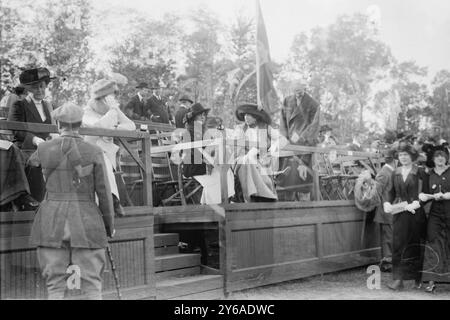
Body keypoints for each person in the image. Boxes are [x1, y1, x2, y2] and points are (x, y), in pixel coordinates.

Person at [28, 102, 114, 300]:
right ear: (80, 124)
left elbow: (32, 182)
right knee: (92, 284)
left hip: (50, 222)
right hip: (87, 223)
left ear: (58, 124)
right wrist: (108, 226)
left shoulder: (42, 150)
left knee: (54, 286)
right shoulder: (94, 151)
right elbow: (104, 193)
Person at [82, 79, 136, 217]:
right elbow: (101, 127)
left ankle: (113, 202)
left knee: (106, 163)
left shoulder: (111, 110)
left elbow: (131, 126)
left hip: (107, 157)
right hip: (88, 155)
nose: (109, 101)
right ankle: (114, 201)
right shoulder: (87, 112)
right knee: (103, 161)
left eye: (109, 98)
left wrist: (116, 126)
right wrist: (113, 109)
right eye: (106, 98)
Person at [383, 143, 428, 291]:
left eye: (406, 155)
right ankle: (398, 279)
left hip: (416, 214)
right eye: (401, 155)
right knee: (398, 245)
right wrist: (387, 203)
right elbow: (390, 192)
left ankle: (417, 279)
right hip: (400, 212)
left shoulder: (420, 172)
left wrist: (418, 202)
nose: (403, 157)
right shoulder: (395, 172)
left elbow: (426, 193)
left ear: (412, 157)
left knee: (415, 245)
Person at [8, 67, 56, 201]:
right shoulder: (19, 104)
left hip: (47, 147)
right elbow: (17, 129)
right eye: (35, 87)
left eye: (42, 86)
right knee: (38, 161)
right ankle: (37, 201)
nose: (40, 90)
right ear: (28, 89)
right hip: (26, 147)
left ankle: (60, 201)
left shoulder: (48, 105)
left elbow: (53, 129)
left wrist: (54, 139)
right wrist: (36, 140)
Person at [278, 80, 320, 201]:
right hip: (289, 147)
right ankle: (288, 212)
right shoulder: (287, 101)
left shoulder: (313, 104)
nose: (297, 92)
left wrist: (300, 138)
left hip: (305, 148)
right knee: (288, 183)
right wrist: (284, 138)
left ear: (305, 88)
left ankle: (306, 213)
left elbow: (314, 128)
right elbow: (282, 122)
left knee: (303, 184)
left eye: (300, 89)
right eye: (295, 90)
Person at [232, 103, 281, 203]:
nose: (246, 117)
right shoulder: (241, 129)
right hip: (244, 158)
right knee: (247, 163)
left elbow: (280, 140)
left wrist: (271, 151)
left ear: (256, 117)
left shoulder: (265, 127)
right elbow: (236, 148)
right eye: (245, 115)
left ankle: (261, 196)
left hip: (263, 160)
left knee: (261, 170)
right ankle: (253, 197)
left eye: (249, 115)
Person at [419, 146, 450, 293]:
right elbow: (424, 194)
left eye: (442, 156)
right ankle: (431, 281)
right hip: (435, 215)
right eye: (437, 156)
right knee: (432, 244)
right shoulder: (429, 174)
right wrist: (420, 199)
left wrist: (447, 195)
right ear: (433, 159)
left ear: (446, 158)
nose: (440, 158)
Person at [374, 148, 397, 272]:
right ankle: (387, 263)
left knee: (390, 237)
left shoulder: (390, 171)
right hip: (386, 211)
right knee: (388, 238)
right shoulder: (384, 172)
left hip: (392, 210)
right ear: (395, 160)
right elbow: (376, 192)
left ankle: (389, 261)